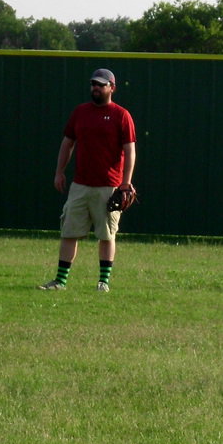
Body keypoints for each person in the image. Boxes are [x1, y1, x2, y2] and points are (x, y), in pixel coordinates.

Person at [38, 68, 137, 292]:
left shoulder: (121, 115)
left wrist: (125, 182)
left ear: (112, 87)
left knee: (106, 234)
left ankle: (104, 281)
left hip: (108, 185)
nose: (96, 88)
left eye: (101, 84)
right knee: (69, 232)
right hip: (80, 184)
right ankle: (60, 281)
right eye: (94, 83)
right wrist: (59, 171)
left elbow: (130, 151)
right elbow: (67, 143)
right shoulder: (80, 112)